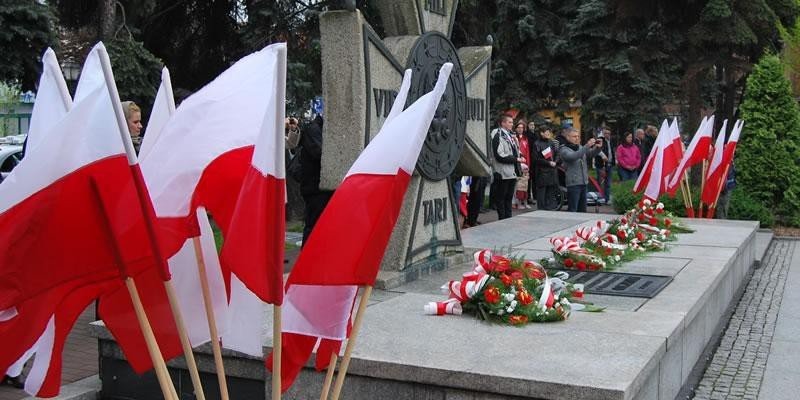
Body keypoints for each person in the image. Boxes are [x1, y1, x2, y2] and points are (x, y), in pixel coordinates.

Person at [298, 114, 333, 246]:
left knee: (320, 227)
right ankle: (305, 261)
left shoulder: (321, 129)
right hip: (315, 188)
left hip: (321, 187)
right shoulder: (314, 129)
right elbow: (319, 153)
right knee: (313, 226)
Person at [559, 127, 600, 212]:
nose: (577, 138)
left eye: (578, 136)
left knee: (583, 210)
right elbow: (574, 156)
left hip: (584, 182)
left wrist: (598, 148)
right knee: (573, 209)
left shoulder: (580, 147)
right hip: (573, 183)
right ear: (568, 137)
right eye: (574, 136)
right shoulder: (564, 149)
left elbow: (590, 154)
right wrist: (587, 146)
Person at [491, 115, 522, 219]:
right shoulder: (498, 134)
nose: (512, 124)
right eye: (509, 122)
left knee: (509, 197)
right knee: (502, 197)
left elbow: (515, 152)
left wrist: (517, 143)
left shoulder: (510, 135)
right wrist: (516, 159)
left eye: (512, 122)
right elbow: (499, 155)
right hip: (502, 172)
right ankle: (502, 219)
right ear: (502, 123)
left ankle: (508, 218)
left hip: (511, 172)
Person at [532, 128, 559, 210]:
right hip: (542, 172)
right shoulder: (537, 144)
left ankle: (550, 209)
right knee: (542, 194)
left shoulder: (551, 142)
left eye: (549, 132)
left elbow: (557, 153)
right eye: (546, 132)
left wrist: (555, 161)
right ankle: (541, 211)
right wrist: (548, 163)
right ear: (541, 133)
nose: (548, 134)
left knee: (550, 193)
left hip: (552, 171)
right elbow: (535, 159)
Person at [513, 121, 531, 209]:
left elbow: (527, 152)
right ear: (515, 128)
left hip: (525, 164)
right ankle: (518, 203)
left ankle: (525, 202)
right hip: (518, 164)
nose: (520, 129)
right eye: (519, 127)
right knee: (519, 185)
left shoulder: (525, 138)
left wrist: (528, 164)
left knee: (525, 184)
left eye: (522, 128)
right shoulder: (513, 138)